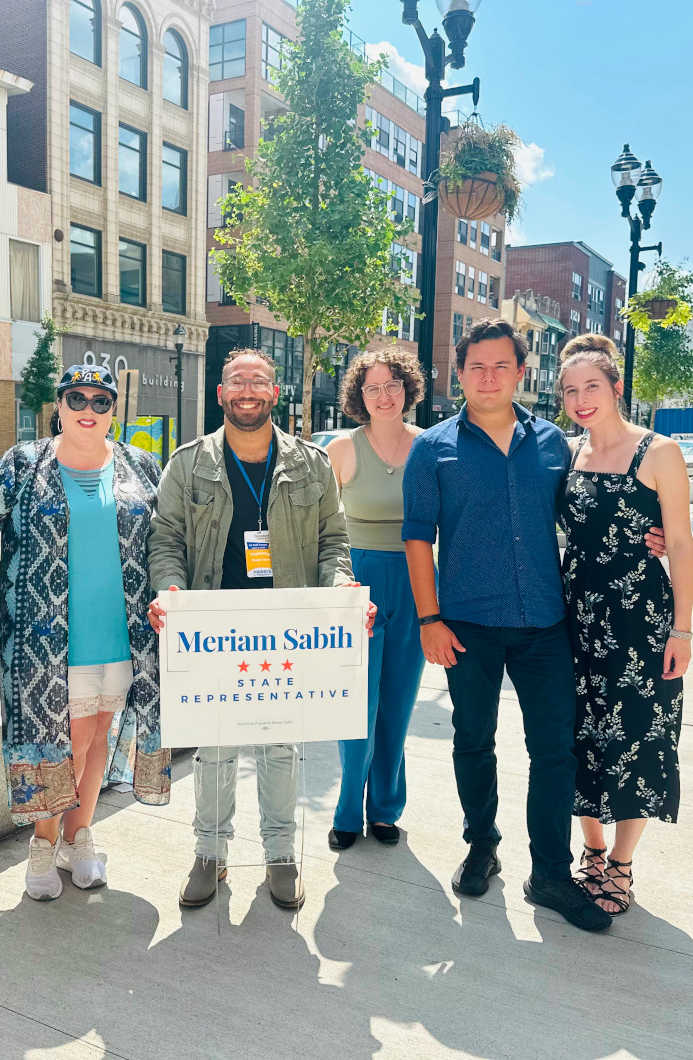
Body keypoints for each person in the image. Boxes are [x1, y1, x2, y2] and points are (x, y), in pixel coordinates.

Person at [402, 318, 623, 933]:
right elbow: (417, 538)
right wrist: (429, 619)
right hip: (467, 624)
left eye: (502, 366)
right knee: (473, 741)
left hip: (545, 624)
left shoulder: (554, 442)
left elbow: (593, 511)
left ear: (522, 374)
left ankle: (550, 871)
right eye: (477, 366)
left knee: (554, 750)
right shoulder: (433, 446)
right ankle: (482, 844)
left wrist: (648, 538)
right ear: (460, 372)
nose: (489, 377)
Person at [148, 348, 368, 912]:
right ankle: (210, 853)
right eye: (237, 382)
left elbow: (333, 542)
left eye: (259, 382)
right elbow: (166, 537)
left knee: (280, 746)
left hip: (284, 631)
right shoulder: (188, 462)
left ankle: (280, 855)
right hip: (213, 630)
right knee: (214, 749)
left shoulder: (311, 464)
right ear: (220, 394)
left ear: (276, 393)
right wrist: (170, 589)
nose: (248, 391)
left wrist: (341, 586)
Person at [0, 365, 170, 901]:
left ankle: (79, 839)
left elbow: (169, 540)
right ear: (58, 404)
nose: (89, 408)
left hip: (124, 632)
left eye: (101, 400)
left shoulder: (141, 466)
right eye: (76, 397)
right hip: (48, 638)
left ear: (113, 409)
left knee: (99, 737)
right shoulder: (23, 463)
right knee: (69, 741)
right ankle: (43, 843)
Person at [557, 334, 691, 915]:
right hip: (574, 615)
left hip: (641, 618)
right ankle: (590, 850)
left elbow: (681, 544)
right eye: (569, 390)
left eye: (592, 386)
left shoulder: (658, 453)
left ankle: (622, 863)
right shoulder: (566, 453)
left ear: (616, 388)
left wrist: (684, 630)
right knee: (578, 735)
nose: (581, 399)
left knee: (639, 736)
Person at [326, 348, 426, 851]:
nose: (384, 395)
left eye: (392, 385)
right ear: (358, 396)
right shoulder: (342, 450)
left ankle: (385, 809)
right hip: (355, 582)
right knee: (354, 705)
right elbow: (320, 525)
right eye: (372, 387)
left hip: (414, 581)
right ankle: (347, 811)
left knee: (397, 703)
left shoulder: (429, 447)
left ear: (407, 389)